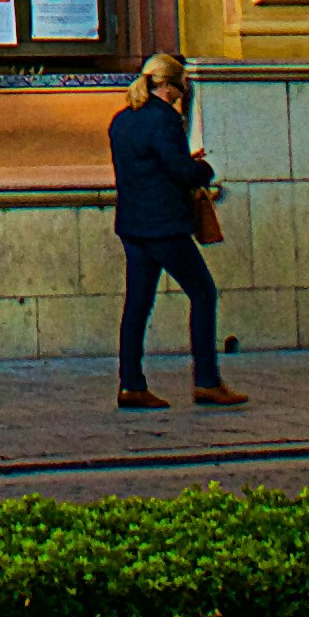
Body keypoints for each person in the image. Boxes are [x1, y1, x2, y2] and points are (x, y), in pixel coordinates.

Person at [105, 50, 244, 410]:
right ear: (169, 85)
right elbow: (181, 172)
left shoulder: (121, 121)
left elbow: (145, 168)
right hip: (164, 226)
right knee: (203, 294)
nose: (183, 92)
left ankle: (131, 384)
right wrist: (204, 169)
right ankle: (207, 382)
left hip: (133, 225)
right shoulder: (164, 120)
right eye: (181, 86)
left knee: (137, 304)